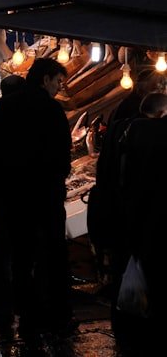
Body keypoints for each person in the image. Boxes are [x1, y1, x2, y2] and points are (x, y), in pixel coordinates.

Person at [0, 57, 74, 339]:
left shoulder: (3, 107)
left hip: (13, 195)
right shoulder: (51, 110)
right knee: (53, 254)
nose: (59, 88)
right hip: (46, 195)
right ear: (45, 79)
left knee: (22, 258)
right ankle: (58, 316)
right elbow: (63, 154)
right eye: (58, 82)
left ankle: (28, 315)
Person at [92, 91, 167, 351]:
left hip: (121, 222)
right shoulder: (158, 138)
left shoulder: (118, 132)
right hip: (151, 224)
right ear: (162, 114)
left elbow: (104, 178)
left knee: (124, 276)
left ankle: (125, 330)